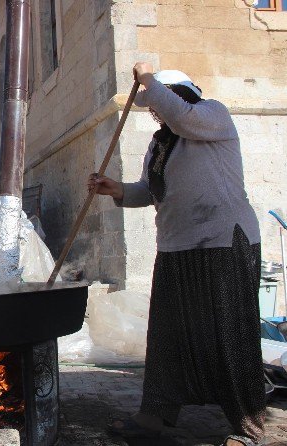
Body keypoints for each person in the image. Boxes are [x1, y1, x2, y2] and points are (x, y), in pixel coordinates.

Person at [91, 62, 265, 446]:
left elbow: (181, 116)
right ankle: (155, 417)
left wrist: (147, 79)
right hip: (175, 246)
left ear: (183, 94)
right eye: (152, 106)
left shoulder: (210, 116)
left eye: (158, 102)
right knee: (168, 337)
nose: (155, 111)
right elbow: (152, 192)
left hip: (222, 242)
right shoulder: (160, 144)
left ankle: (248, 427)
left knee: (231, 334)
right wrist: (115, 189)